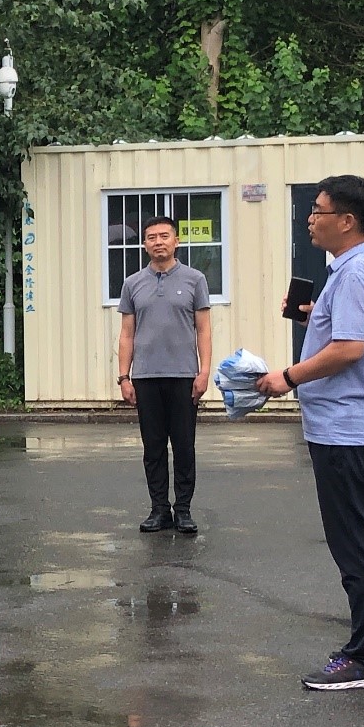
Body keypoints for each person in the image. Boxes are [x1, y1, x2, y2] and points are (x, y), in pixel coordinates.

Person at [256, 175, 364, 691]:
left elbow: (349, 349)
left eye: (318, 211)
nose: (310, 220)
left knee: (359, 549)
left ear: (347, 220)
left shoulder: (357, 273)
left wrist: (288, 377)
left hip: (348, 432)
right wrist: (315, 315)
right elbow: (351, 335)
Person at [116, 216, 211, 535]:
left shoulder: (195, 280)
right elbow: (127, 333)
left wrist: (204, 371)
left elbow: (204, 329)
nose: (158, 242)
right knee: (153, 447)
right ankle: (159, 509)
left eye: (164, 236)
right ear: (144, 244)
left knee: (184, 446)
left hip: (183, 376)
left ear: (176, 241)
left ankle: (183, 510)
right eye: (151, 237)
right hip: (146, 377)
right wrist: (124, 377)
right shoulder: (133, 283)